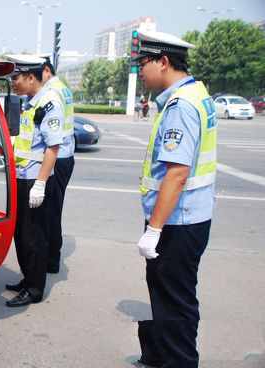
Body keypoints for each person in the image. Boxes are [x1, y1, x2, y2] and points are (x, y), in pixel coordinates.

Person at [133, 30, 217, 368]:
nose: (141, 71)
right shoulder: (196, 93)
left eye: (144, 63)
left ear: (163, 62)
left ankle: (179, 361)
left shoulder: (181, 105)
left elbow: (177, 174)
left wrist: (154, 229)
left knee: (175, 300)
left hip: (176, 221)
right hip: (190, 217)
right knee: (168, 293)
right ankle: (161, 355)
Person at [4, 54, 64, 307]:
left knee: (33, 236)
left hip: (34, 180)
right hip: (21, 176)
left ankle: (35, 289)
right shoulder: (29, 102)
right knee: (20, 233)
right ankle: (27, 278)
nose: (12, 82)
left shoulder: (49, 103)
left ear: (31, 77)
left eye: (15, 77)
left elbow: (53, 147)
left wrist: (40, 184)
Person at [41, 58, 75, 274]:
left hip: (57, 156)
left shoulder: (51, 91)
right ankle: (51, 257)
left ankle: (51, 260)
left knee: (51, 212)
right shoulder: (62, 87)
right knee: (54, 210)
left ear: (46, 71)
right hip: (65, 155)